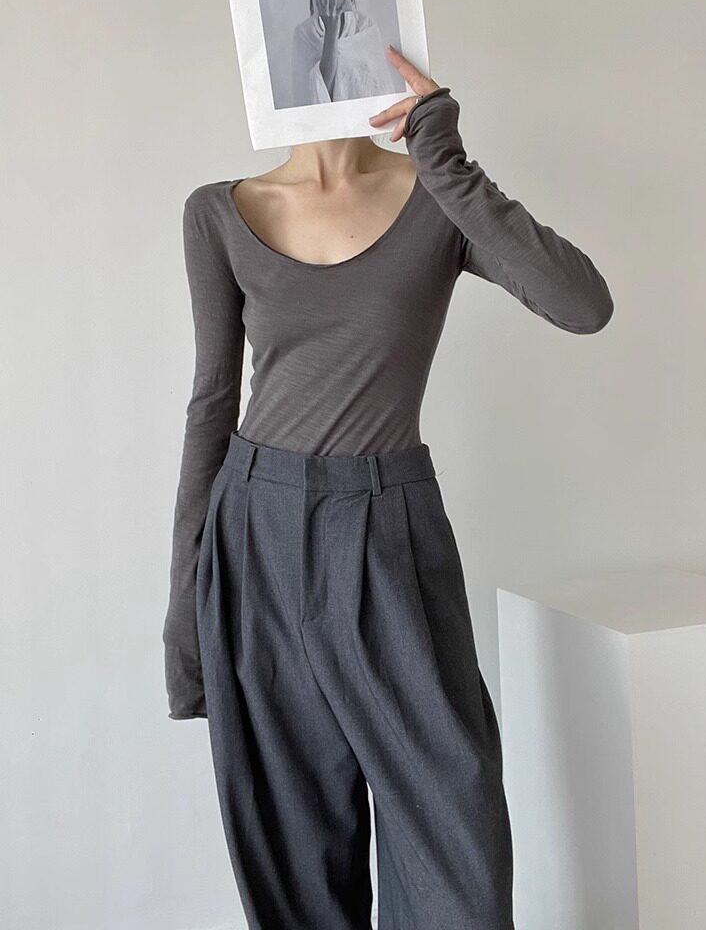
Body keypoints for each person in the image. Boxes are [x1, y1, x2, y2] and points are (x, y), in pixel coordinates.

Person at [162, 45, 614, 930]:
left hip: (389, 530)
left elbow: (582, 305)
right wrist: (185, 606)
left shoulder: (437, 196)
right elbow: (211, 405)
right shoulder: (218, 211)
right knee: (294, 850)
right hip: (254, 534)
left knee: (454, 837)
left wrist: (442, 151)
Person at [291, 0, 396, 104]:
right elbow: (317, 93)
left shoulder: (365, 27)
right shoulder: (304, 33)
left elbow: (378, 87)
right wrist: (331, 31)